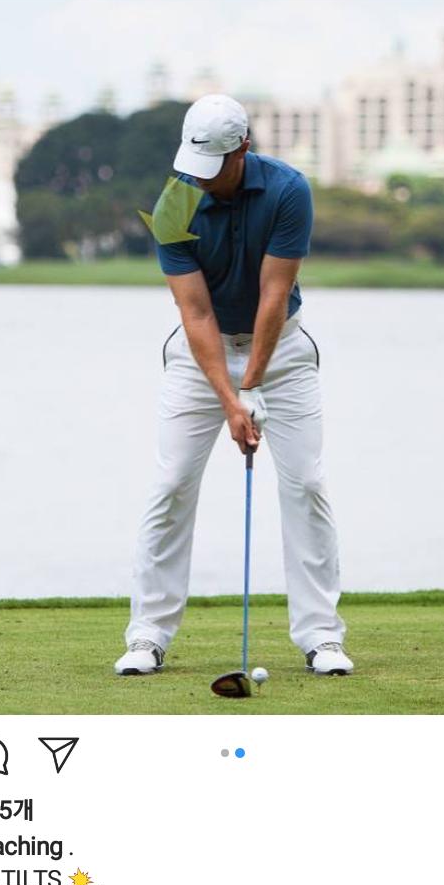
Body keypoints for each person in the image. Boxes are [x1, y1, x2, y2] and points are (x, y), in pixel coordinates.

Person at [115, 94, 351, 678]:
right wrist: (231, 399)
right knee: (171, 482)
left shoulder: (288, 190)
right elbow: (195, 313)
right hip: (202, 353)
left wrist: (254, 385)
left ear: (243, 148)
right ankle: (148, 635)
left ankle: (321, 637)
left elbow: (274, 294)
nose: (200, 179)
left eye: (214, 166)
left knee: (307, 483)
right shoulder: (174, 204)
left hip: (283, 349)